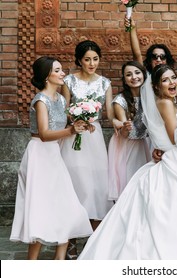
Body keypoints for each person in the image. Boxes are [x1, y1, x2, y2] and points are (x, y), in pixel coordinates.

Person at [78, 64, 177, 259]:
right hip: (174, 161)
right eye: (165, 80)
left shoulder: (169, 101)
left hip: (174, 159)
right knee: (173, 214)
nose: (172, 82)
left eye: (173, 77)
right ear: (157, 87)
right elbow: (176, 139)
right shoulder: (166, 104)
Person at [10, 56, 93, 260]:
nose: (63, 73)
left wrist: (81, 124)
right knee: (40, 206)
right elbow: (45, 134)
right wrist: (70, 130)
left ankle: (59, 260)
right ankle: (32, 263)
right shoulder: (41, 100)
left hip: (55, 154)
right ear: (47, 76)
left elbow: (63, 129)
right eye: (58, 70)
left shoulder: (61, 99)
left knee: (66, 202)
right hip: (39, 154)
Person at [60, 40, 114, 259]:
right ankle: (70, 241)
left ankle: (92, 241)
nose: (92, 63)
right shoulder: (69, 80)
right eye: (87, 59)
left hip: (95, 135)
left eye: (95, 59)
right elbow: (63, 109)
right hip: (74, 136)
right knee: (75, 187)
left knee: (97, 188)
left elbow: (109, 113)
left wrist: (121, 122)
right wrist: (76, 118)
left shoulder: (105, 83)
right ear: (79, 60)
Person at [107, 61, 151, 201]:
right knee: (129, 183)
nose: (134, 77)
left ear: (144, 75)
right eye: (129, 74)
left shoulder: (149, 97)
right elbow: (126, 133)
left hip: (142, 143)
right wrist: (125, 127)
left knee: (143, 183)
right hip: (126, 144)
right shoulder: (120, 101)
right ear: (124, 79)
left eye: (137, 73)